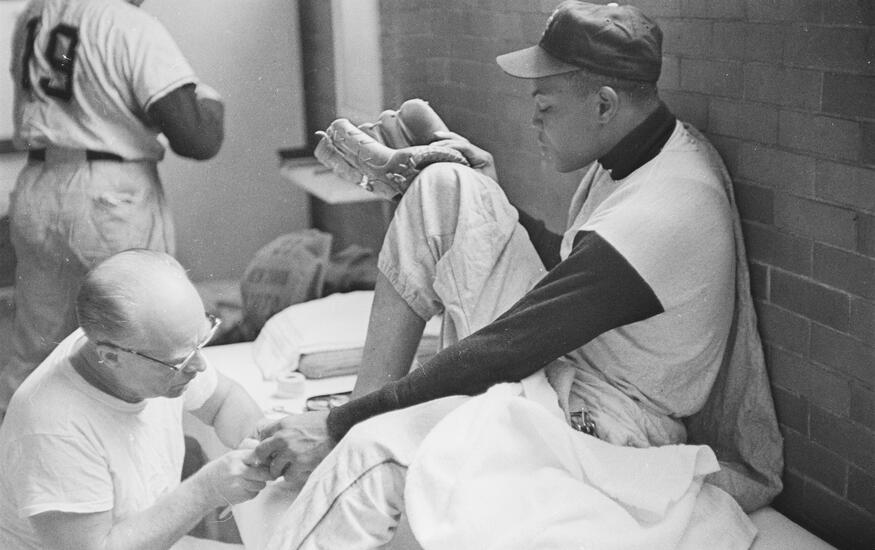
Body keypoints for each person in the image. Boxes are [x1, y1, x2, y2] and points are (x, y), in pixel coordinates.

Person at [252, 2, 782, 548]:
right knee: (444, 188)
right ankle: (354, 414)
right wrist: (490, 190)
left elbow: (506, 348)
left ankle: (342, 431)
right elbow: (572, 267)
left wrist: (341, 424)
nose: (534, 121)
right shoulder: (648, 149)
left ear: (604, 104)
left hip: (611, 426)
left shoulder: (665, 210)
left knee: (375, 448)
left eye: (545, 107)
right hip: (577, 371)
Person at [0, 0, 225, 420]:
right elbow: (197, 139)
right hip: (108, 194)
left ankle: (20, 453)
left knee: (36, 351)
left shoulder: (36, 13)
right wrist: (209, 99)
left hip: (40, 183)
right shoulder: (127, 23)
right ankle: (133, 456)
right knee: (144, 349)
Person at [0, 249, 273, 550]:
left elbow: (223, 401)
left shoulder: (155, 348)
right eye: (181, 361)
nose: (199, 366)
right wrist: (206, 490)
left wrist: (268, 446)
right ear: (111, 357)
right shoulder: (52, 429)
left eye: (201, 342)